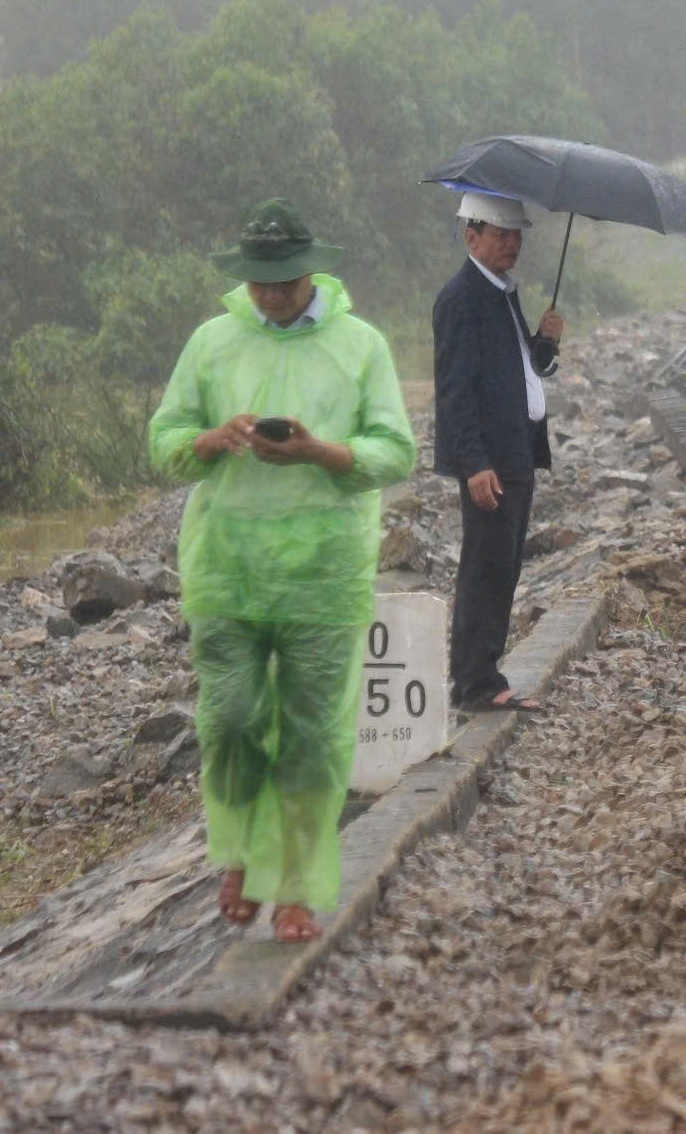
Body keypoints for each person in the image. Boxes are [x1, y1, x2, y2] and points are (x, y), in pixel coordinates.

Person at [149, 198, 416, 944]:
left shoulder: (360, 345)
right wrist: (210, 437)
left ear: (312, 270)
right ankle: (237, 852)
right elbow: (164, 441)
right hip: (227, 567)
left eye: (285, 280)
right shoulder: (211, 341)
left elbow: (395, 450)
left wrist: (318, 452)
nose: (271, 294)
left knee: (311, 731)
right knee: (230, 717)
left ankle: (295, 880)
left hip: (324, 570)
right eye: (260, 282)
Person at [434, 190, 566, 714]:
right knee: (485, 566)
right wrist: (474, 464)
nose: (513, 244)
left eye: (517, 236)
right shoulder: (460, 298)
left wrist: (545, 343)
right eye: (501, 235)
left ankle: (484, 674)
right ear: (472, 236)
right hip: (491, 459)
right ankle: (474, 683)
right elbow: (455, 389)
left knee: (503, 565)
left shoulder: (500, 292)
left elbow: (519, 369)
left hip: (517, 449)